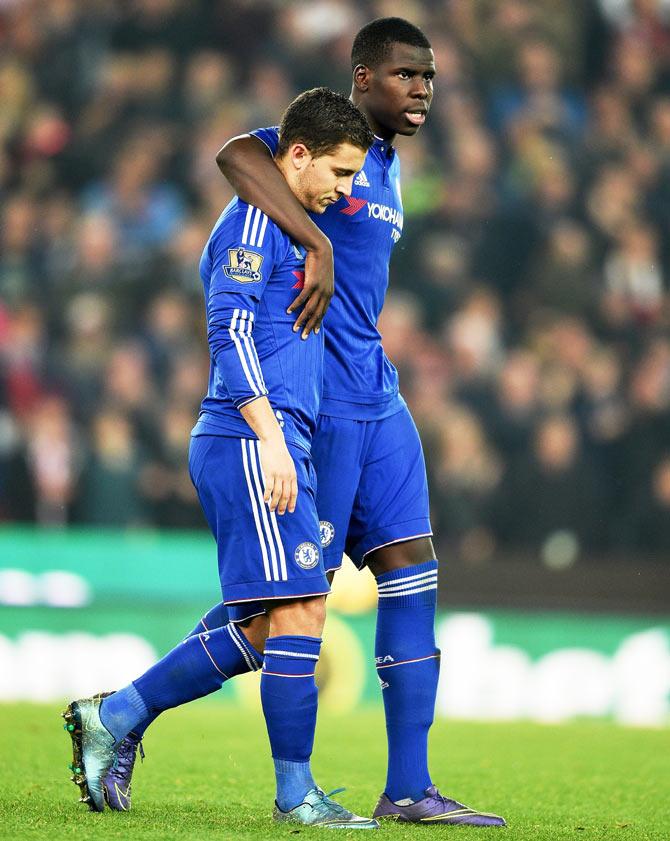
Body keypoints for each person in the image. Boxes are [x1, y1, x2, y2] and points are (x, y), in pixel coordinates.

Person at [73, 17, 506, 828]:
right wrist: (316, 242)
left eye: (429, 78)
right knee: (286, 612)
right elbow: (237, 154)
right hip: (316, 403)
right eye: (406, 75)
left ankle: (409, 786)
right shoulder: (300, 150)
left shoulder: (386, 165)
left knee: (412, 566)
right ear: (362, 77)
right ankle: (125, 711)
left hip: (379, 394)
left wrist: (328, 246)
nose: (422, 91)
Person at [62, 86, 378, 829]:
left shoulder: (295, 226)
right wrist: (271, 437)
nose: (346, 189)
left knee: (266, 622)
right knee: (300, 608)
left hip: (278, 440)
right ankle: (297, 794)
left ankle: (117, 713)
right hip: (246, 440)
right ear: (296, 157)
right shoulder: (253, 224)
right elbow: (229, 335)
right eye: (338, 172)